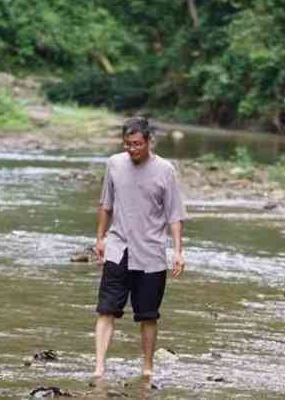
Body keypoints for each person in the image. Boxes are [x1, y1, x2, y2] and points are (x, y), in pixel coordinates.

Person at [93, 116, 187, 379]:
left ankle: (147, 368)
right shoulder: (114, 164)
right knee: (106, 309)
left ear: (148, 141)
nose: (131, 149)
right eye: (127, 144)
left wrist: (178, 251)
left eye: (136, 144)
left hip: (151, 253)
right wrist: (100, 238)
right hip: (118, 248)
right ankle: (99, 367)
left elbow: (174, 214)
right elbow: (105, 204)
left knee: (148, 315)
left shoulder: (165, 170)